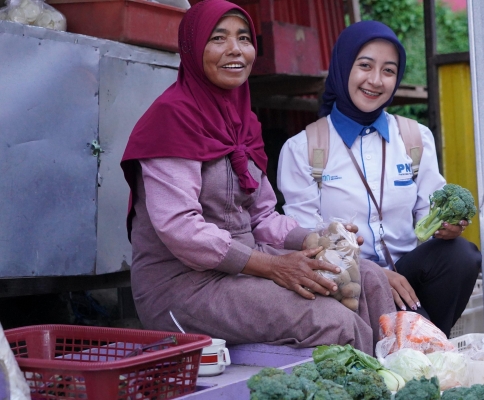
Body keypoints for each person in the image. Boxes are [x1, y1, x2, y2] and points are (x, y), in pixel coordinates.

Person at [119, 0, 395, 355]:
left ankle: (399, 378)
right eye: (218, 38)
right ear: (192, 49)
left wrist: (317, 238)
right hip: (183, 286)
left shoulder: (242, 120)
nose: (236, 50)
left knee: (369, 278)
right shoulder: (172, 118)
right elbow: (180, 229)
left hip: (246, 268)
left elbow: (262, 216)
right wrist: (273, 266)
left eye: (244, 38)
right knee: (331, 319)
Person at [277, 21, 481, 338]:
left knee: (462, 256)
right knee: (416, 341)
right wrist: (376, 274)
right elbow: (310, 241)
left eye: (388, 70)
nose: (375, 80)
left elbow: (428, 207)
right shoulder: (302, 149)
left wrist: (442, 224)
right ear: (344, 67)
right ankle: (420, 344)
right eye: (365, 66)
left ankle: (418, 342)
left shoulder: (414, 137)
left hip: (409, 272)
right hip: (346, 280)